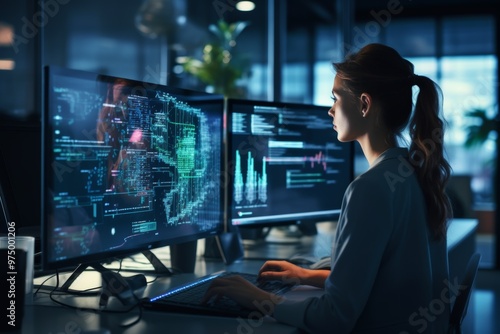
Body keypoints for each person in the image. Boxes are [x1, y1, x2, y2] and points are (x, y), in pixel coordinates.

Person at [202, 43, 453, 333]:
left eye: (335, 98)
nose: (330, 110)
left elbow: (333, 318)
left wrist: (256, 297)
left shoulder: (369, 190)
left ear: (364, 104)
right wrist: (307, 275)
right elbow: (381, 281)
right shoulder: (416, 173)